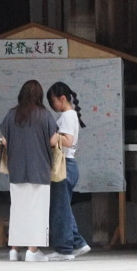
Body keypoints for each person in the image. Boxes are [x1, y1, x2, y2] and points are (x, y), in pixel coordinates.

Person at [0, 79, 58, 261]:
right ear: (39, 96)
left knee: (18, 211)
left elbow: (4, 140)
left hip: (17, 169)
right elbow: (53, 141)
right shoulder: (44, 115)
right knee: (37, 211)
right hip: (39, 169)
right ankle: (32, 251)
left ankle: (14, 250)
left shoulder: (11, 115)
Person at [47, 82, 91, 259]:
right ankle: (78, 243)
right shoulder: (71, 115)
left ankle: (64, 248)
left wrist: (50, 136)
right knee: (63, 207)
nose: (52, 106)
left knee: (60, 209)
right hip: (69, 164)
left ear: (62, 98)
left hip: (63, 164)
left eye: (53, 101)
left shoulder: (66, 116)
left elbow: (67, 141)